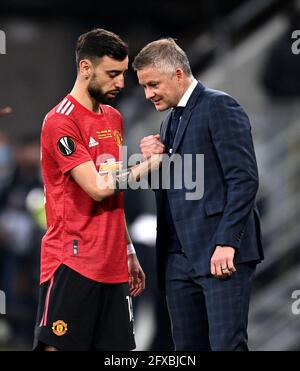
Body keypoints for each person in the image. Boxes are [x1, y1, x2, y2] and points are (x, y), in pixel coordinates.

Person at [133, 38, 264, 351]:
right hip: (177, 261)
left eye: (153, 84)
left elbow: (244, 179)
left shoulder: (220, 106)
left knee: (225, 346)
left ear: (178, 75)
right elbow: (176, 190)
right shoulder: (167, 122)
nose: (148, 94)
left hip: (219, 254)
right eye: (143, 86)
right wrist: (153, 165)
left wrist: (227, 242)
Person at [33, 29, 149, 351]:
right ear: (86, 69)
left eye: (123, 74)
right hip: (72, 261)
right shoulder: (60, 121)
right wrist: (149, 166)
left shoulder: (114, 118)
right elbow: (98, 188)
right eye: (112, 74)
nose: (121, 83)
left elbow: (113, 190)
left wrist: (127, 250)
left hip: (112, 266)